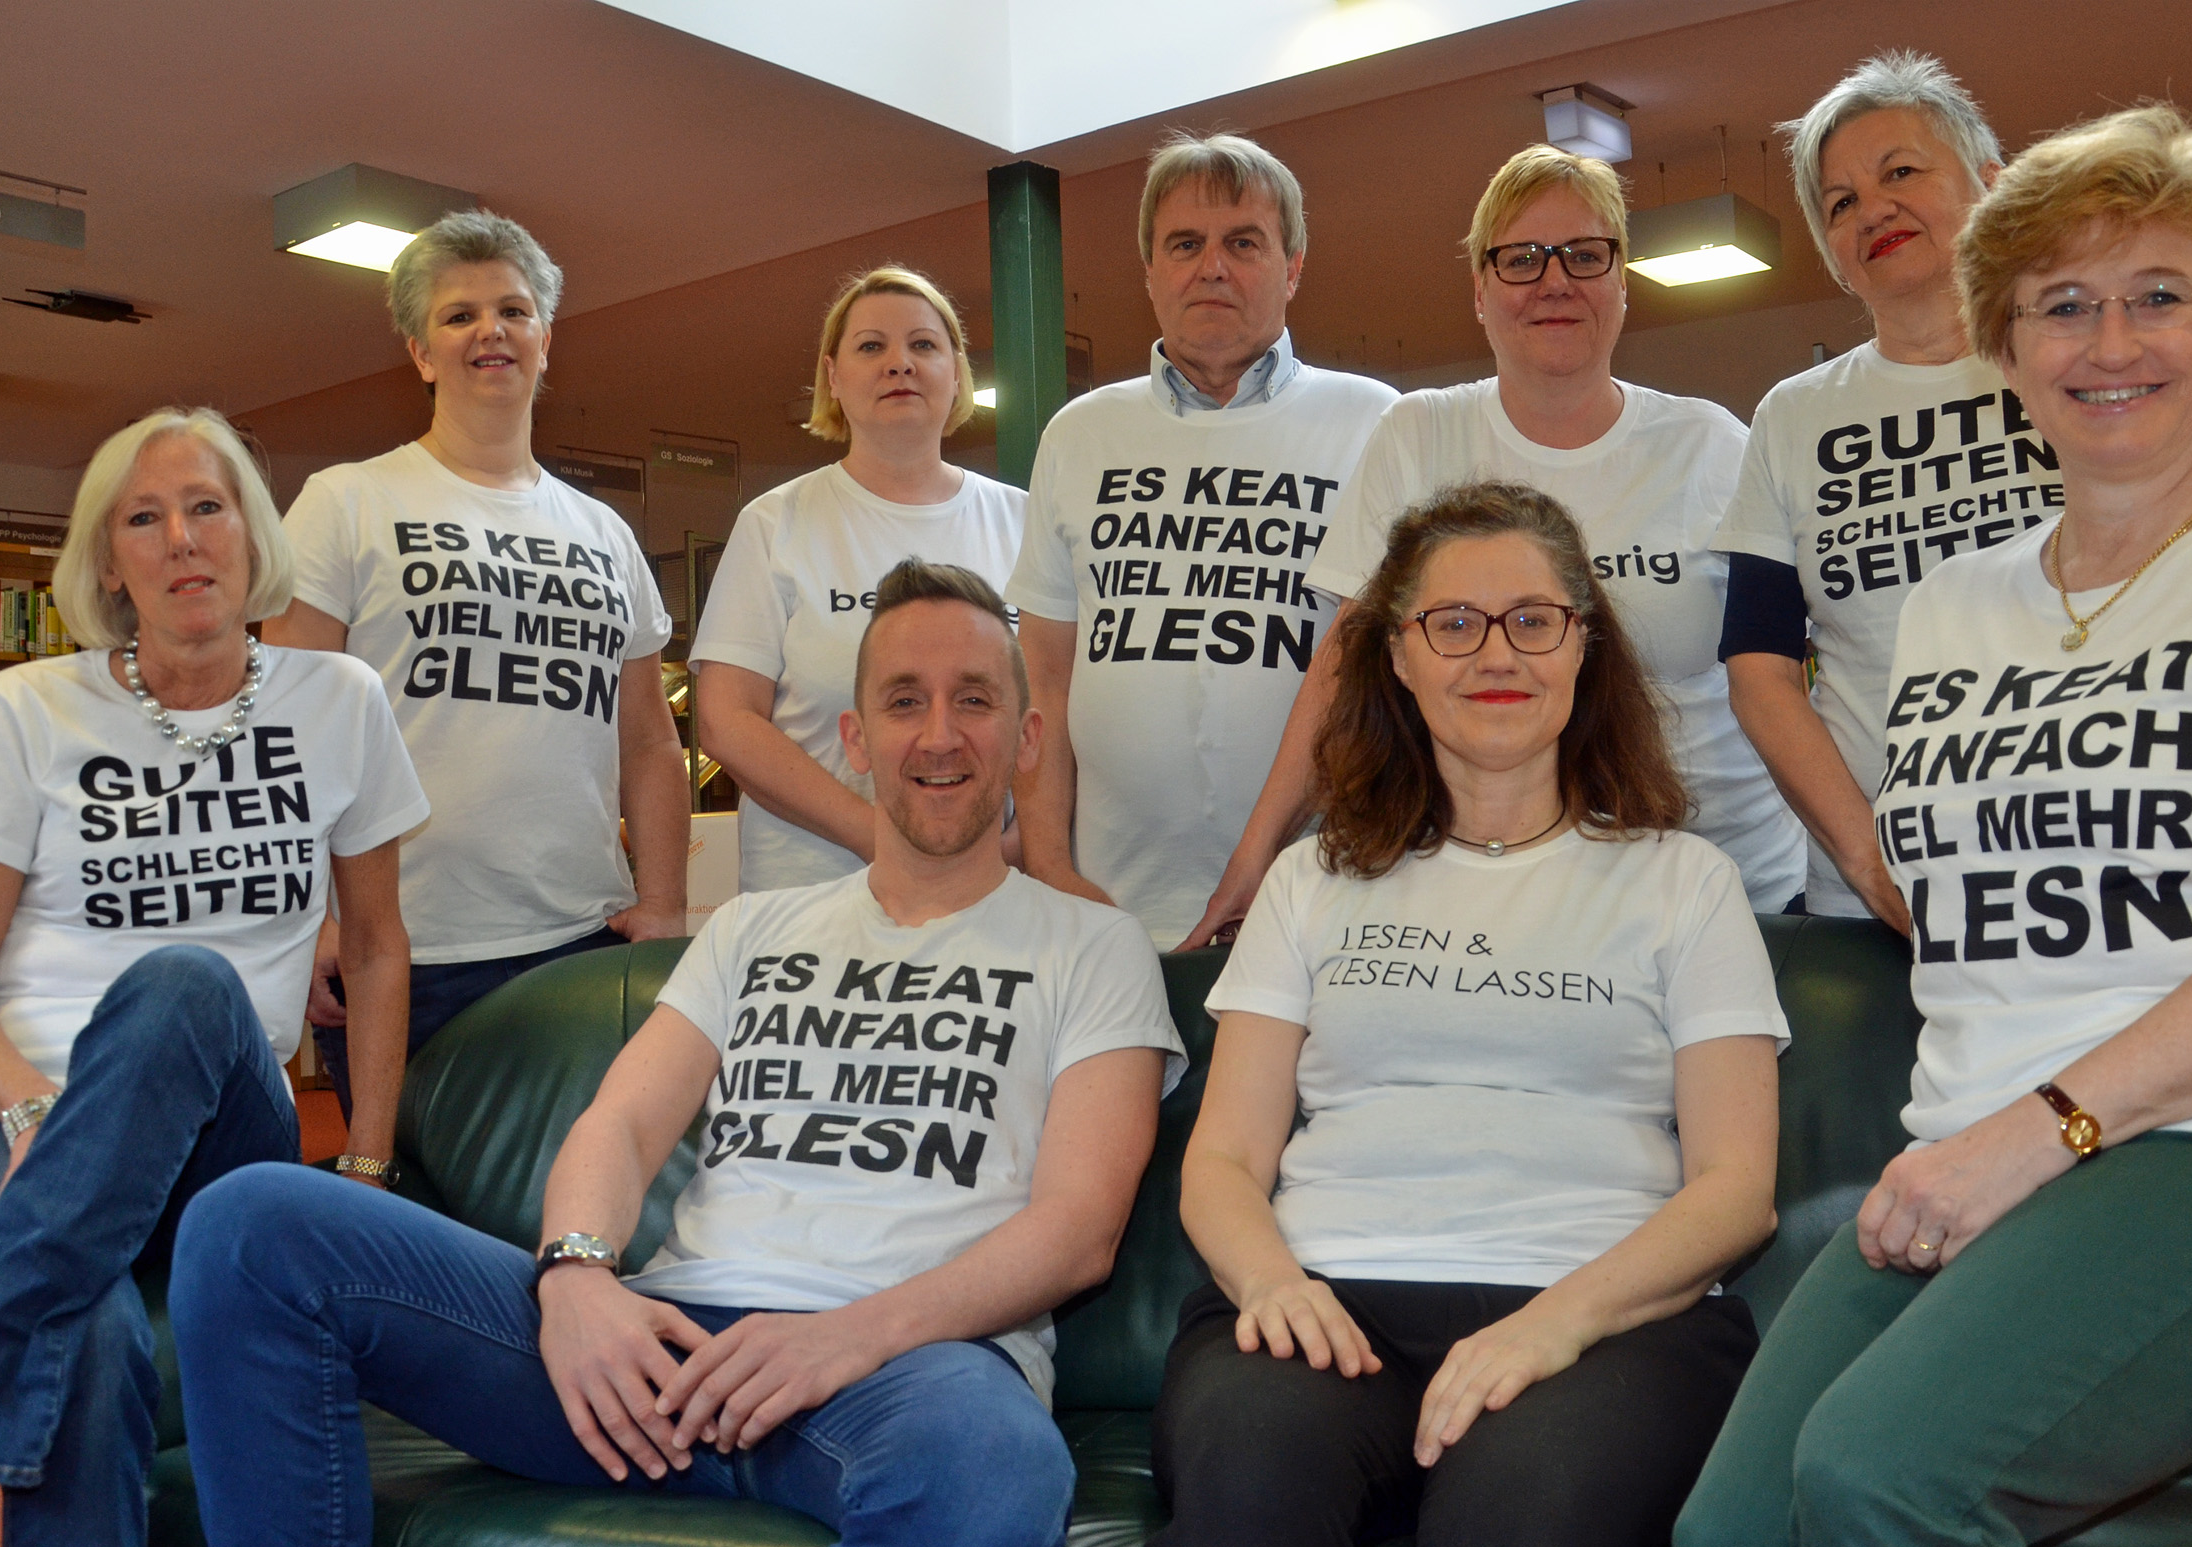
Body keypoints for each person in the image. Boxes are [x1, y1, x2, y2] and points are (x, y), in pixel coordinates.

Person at [1673, 106, 2192, 1547]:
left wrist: (2042, 1129)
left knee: (1885, 1482)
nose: (2109, 339)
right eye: (2062, 304)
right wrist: (1993, 1137)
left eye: (2159, 294)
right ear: (2003, 346)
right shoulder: (1948, 612)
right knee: (1734, 1540)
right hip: (1985, 1154)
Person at [170, 559, 1184, 1547]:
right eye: (904, 701)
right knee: (252, 1226)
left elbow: (1078, 1234)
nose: (938, 734)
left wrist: (839, 1342)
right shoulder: (756, 928)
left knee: (998, 1476)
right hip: (660, 1348)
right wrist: (575, 1275)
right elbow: (621, 1124)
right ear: (856, 737)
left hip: (903, 1370)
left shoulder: (1093, 946)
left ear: (1028, 741)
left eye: (974, 700)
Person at [1148, 481, 1784, 1547]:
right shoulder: (1312, 881)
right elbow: (1225, 1159)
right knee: (1243, 1493)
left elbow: (1734, 1187)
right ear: (1394, 655)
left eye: (1533, 620)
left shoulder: (1680, 881)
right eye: (1452, 623)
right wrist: (1272, 1287)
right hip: (1326, 1304)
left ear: (1584, 647)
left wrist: (1555, 1325)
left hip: (1605, 1325)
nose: (1496, 653)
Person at [0, 409, 428, 1547]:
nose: (182, 538)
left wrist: (364, 1168)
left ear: (252, 533)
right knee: (79, 1341)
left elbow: (383, 946)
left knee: (186, 982)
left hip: (214, 1114)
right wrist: (37, 1104)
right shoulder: (27, 708)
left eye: (208, 505)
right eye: (145, 517)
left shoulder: (338, 699)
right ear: (107, 562)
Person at [1210, 145, 1806, 937]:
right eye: (1521, 259)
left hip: (1731, 887)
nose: (1555, 281)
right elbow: (1344, 670)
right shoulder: (1421, 433)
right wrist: (1257, 858)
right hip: (1488, 895)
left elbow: (1789, 677)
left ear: (1620, 281)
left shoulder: (1713, 446)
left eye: (1585, 256)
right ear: (1481, 291)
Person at [1717, 53, 2192, 926]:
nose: (1871, 208)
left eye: (1901, 172)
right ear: (1833, 255)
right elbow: (1762, 669)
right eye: (1839, 203)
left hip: (2122, 876)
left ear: (1993, 187)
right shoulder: (1791, 419)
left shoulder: (2094, 359)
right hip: (1877, 902)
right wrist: (1870, 861)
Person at [267, 209, 687, 1118]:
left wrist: (664, 905)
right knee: (409, 1234)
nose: (489, 331)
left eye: (513, 311)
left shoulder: (606, 534)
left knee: (580, 1215)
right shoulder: (345, 503)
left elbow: (650, 743)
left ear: (545, 342)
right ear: (420, 352)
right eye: (459, 316)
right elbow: (281, 735)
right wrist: (311, 921)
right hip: (402, 952)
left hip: (585, 941)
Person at [1008, 132, 1397, 950]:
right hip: (1108, 914)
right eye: (1184, 244)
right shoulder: (1078, 435)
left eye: (1243, 242)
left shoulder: (1378, 423)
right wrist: (1051, 870)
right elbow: (1043, 676)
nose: (1211, 266)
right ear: (1148, 270)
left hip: (1328, 903)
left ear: (1293, 266)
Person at [693, 266, 1023, 892]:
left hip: (993, 889)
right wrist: (887, 842)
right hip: (807, 898)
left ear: (957, 374)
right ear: (834, 378)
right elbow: (725, 720)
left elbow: (1061, 714)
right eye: (872, 346)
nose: (899, 363)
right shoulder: (774, 523)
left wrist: (1017, 846)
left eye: (923, 345)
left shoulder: (1027, 522)